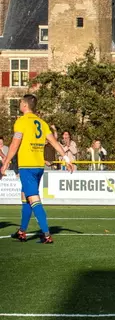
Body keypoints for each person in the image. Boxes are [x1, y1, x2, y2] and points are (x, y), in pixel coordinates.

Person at [1, 94, 74, 244]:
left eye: (21, 102)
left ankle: (46, 235)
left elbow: (15, 143)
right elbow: (53, 141)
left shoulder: (21, 122)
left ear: (25, 105)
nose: (20, 104)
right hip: (38, 166)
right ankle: (22, 231)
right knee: (25, 197)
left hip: (27, 166)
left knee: (33, 198)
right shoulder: (41, 122)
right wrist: (66, 158)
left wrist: (6, 162)